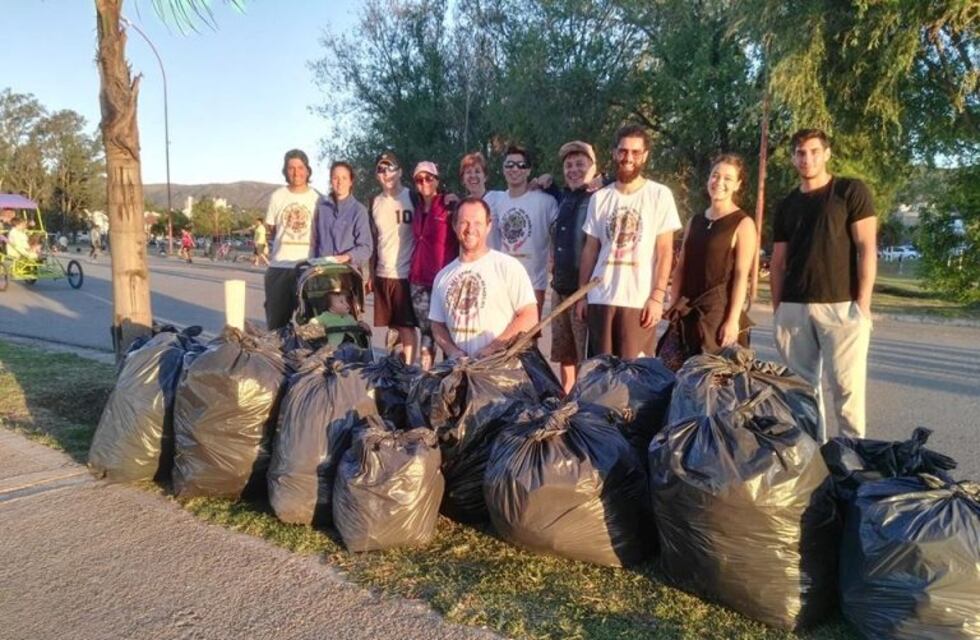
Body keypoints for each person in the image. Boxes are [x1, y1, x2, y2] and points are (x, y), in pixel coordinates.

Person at [771, 128, 877, 441]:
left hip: (841, 307)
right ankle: (811, 459)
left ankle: (853, 458)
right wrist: (780, 310)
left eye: (814, 151)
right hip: (794, 308)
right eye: (801, 153)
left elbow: (867, 247)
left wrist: (864, 304)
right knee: (801, 392)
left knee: (847, 389)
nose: (808, 159)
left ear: (826, 154)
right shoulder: (787, 204)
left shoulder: (849, 191)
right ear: (793, 158)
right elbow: (778, 262)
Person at [576, 124, 682, 359]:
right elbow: (590, 250)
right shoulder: (600, 198)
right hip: (600, 297)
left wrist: (657, 296)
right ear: (615, 153)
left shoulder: (659, 195)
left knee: (634, 377)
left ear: (645, 156)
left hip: (638, 301)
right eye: (623, 151)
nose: (628, 158)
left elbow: (665, 252)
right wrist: (582, 295)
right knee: (600, 374)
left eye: (635, 152)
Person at [657, 154, 757, 370]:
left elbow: (741, 276)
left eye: (728, 178)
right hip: (687, 309)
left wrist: (732, 320)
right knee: (670, 372)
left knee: (710, 382)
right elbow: (682, 265)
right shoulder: (696, 220)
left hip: (717, 314)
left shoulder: (743, 223)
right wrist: (673, 303)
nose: (719, 182)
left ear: (738, 185)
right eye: (715, 175)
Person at [430, 197, 539, 359]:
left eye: (477, 223)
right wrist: (453, 352)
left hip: (498, 370)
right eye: (464, 222)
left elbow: (530, 316)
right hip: (459, 371)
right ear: (454, 226)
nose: (470, 229)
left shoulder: (508, 267)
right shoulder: (442, 276)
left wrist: (493, 348)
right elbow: (436, 324)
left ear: (489, 226)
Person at [550, 140, 598, 392]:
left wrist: (607, 180)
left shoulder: (599, 196)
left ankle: (582, 403)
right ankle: (566, 397)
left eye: (580, 164)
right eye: (569, 165)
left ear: (594, 167)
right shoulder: (563, 197)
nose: (574, 169)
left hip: (583, 292)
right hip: (559, 288)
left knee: (583, 356)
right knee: (564, 353)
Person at [486, 145, 558, 316]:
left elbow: (562, 231)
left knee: (529, 338)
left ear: (528, 171)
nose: (515, 169)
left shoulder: (546, 201)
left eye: (521, 165)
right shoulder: (496, 200)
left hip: (533, 284)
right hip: (502, 283)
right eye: (509, 165)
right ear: (503, 169)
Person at [368, 151, 418, 364]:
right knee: (392, 325)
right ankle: (395, 367)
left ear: (400, 172)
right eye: (381, 169)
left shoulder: (412, 197)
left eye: (390, 168)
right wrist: (369, 274)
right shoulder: (374, 202)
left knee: (407, 327)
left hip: (406, 273)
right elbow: (372, 241)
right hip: (382, 273)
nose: (385, 173)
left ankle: (408, 369)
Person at [409, 161, 458, 369]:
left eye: (428, 178)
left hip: (443, 280)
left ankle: (450, 380)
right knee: (427, 333)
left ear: (436, 180)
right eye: (419, 180)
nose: (424, 183)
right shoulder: (416, 207)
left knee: (447, 333)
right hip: (418, 281)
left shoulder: (448, 205)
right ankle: (426, 380)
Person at [264, 149, 320, 330]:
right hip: (280, 268)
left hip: (308, 268)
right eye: (291, 168)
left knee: (313, 327)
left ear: (308, 170)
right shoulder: (277, 196)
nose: (296, 172)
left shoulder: (318, 199)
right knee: (276, 325)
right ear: (285, 171)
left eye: (300, 167)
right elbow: (271, 229)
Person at [311, 161, 372, 270]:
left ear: (351, 181)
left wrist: (348, 256)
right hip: (322, 272)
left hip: (348, 273)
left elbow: (366, 247)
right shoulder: (322, 209)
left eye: (344, 178)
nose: (340, 182)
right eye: (335, 178)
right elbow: (316, 242)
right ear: (331, 181)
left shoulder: (359, 211)